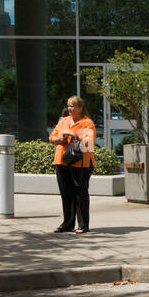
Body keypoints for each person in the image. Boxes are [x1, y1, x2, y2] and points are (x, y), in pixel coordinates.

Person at [49, 96, 96, 233]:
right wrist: (59, 139)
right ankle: (67, 223)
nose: (70, 109)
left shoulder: (87, 123)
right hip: (62, 160)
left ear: (80, 108)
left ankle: (83, 225)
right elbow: (52, 137)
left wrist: (73, 134)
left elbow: (88, 142)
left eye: (73, 106)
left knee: (80, 193)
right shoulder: (63, 121)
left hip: (81, 163)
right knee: (66, 193)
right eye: (69, 106)